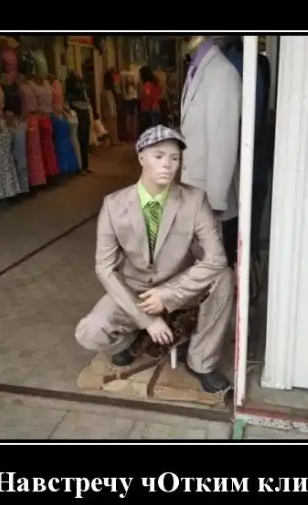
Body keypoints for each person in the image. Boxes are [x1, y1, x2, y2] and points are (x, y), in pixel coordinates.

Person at [75, 125, 234, 393]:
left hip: (180, 283)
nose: (167, 165)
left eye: (174, 158)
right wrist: (146, 320)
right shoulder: (114, 205)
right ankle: (131, 340)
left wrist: (168, 293)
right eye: (158, 156)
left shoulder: (195, 200)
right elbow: (104, 268)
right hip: (135, 289)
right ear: (141, 158)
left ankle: (201, 361)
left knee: (225, 276)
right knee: (90, 332)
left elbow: (216, 258)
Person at [138, 66, 161, 135]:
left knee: (148, 130)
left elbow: (147, 95)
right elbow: (159, 92)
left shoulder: (147, 84)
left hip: (147, 109)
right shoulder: (155, 83)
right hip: (156, 107)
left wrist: (140, 93)